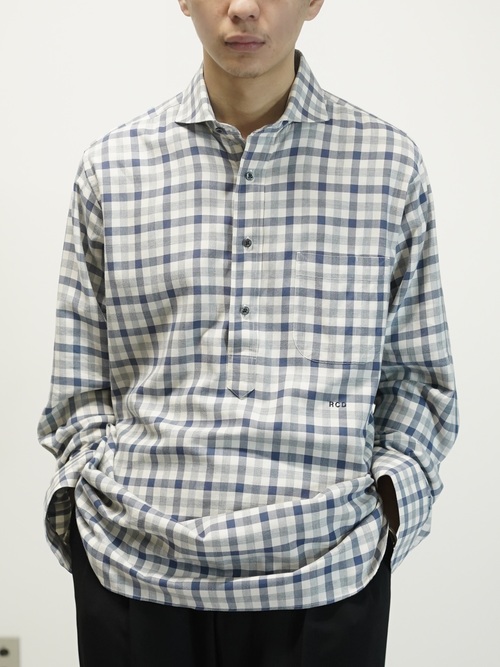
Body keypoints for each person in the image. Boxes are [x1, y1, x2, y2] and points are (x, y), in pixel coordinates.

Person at [38, 0, 459, 665]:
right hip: (132, 567)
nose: (242, 8)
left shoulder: (388, 168)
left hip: (329, 572)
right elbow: (78, 387)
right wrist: (87, 513)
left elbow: (419, 382)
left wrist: (387, 508)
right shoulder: (112, 169)